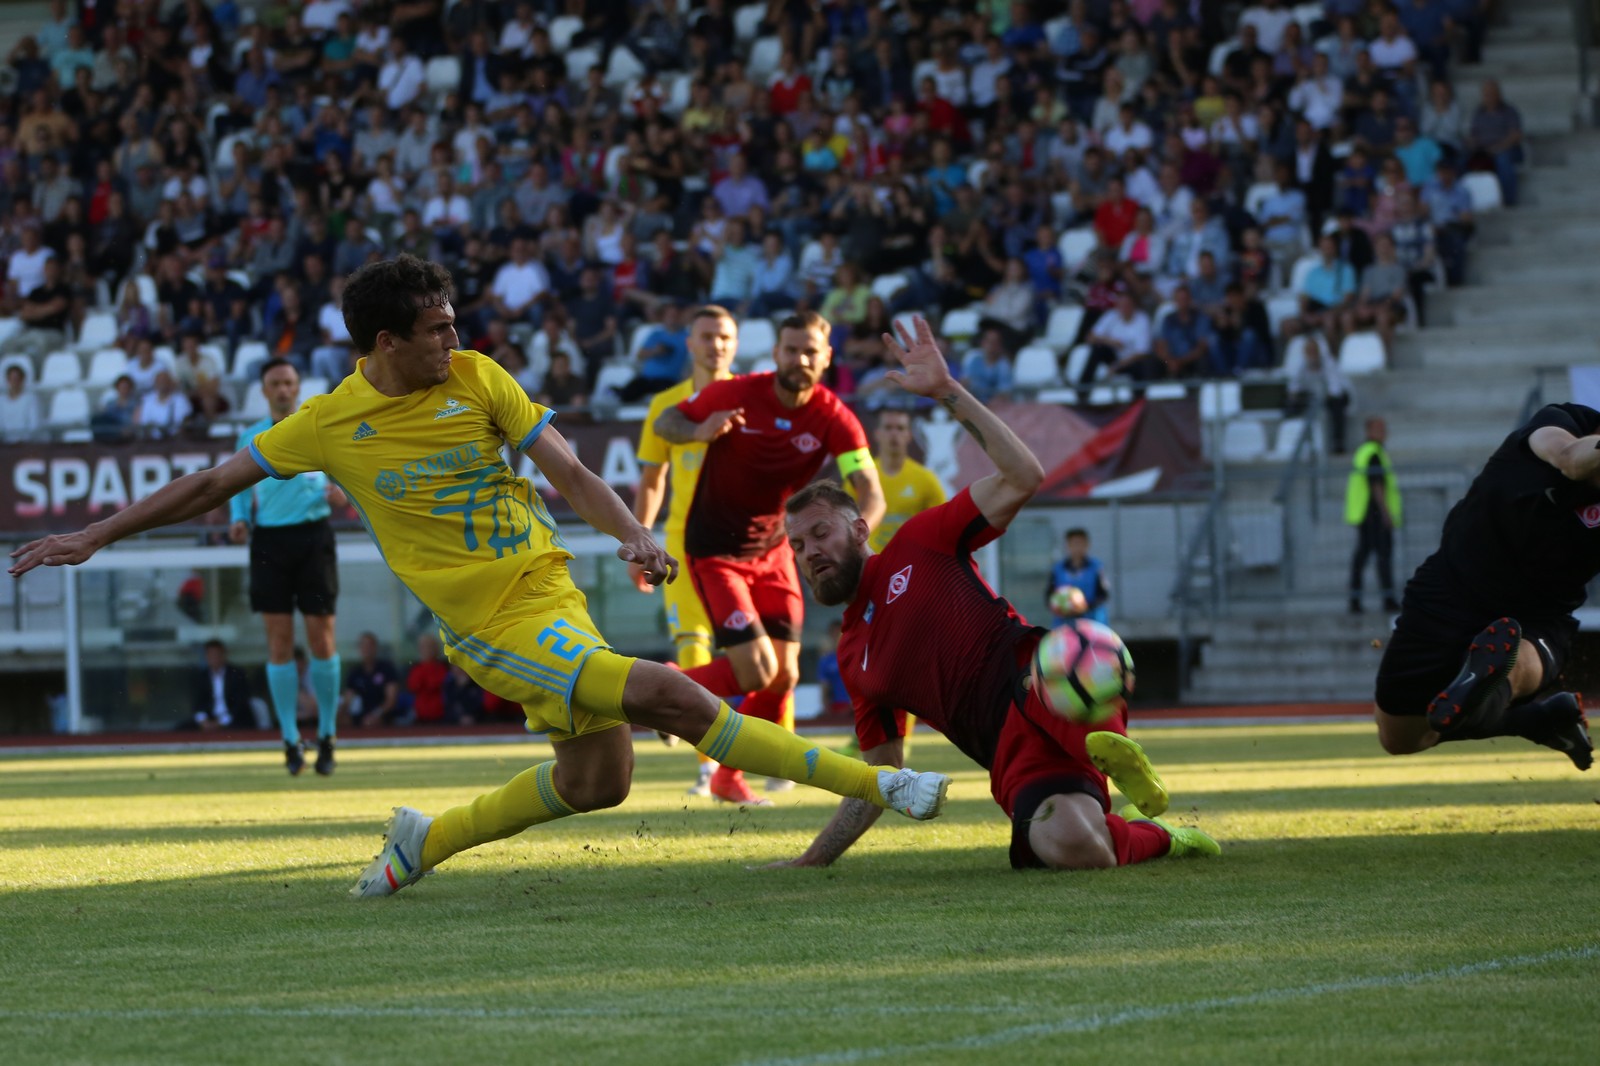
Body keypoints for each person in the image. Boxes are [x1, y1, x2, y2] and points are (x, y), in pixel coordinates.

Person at [8, 255, 948, 898]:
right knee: (666, 690)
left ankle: (429, 840)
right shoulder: (330, 424)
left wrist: (630, 533)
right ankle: (872, 786)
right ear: (382, 344)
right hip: (491, 627)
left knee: (599, 783)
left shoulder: (478, 378)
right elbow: (214, 479)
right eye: (434, 330)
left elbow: (572, 470)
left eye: (455, 324)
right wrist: (96, 534)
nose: (452, 341)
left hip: (550, 597)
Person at [774, 316, 1218, 870]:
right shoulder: (853, 657)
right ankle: (1166, 837)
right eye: (796, 545)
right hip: (1006, 751)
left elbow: (1023, 477)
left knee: (1078, 649)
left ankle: (1099, 733)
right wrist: (811, 859)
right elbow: (881, 775)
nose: (809, 551)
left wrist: (947, 392)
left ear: (860, 529)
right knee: (1083, 851)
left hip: (1037, 678)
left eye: (821, 533)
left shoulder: (920, 542)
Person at [652, 309, 887, 805]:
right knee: (756, 670)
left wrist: (854, 537)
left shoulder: (834, 417)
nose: (798, 358)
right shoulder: (736, 393)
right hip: (715, 549)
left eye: (809, 351)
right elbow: (667, 420)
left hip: (775, 551)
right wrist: (700, 430)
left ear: (826, 358)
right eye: (790, 349)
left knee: (784, 675)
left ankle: (727, 775)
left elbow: (869, 488)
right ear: (776, 353)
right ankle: (662, 689)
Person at [1373, 404, 1597, 772]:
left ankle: (1493, 676)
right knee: (1399, 737)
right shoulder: (1560, 422)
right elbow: (1572, 460)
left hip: (1540, 615)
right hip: (1451, 591)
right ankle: (1536, 719)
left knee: (1511, 658)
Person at [632, 305, 738, 796]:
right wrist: (640, 540)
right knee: (695, 645)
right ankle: (709, 766)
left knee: (760, 659)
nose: (716, 344)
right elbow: (653, 482)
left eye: (724, 336)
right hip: (685, 549)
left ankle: (674, 691)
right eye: (707, 336)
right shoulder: (667, 407)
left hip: (747, 550)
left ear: (734, 344)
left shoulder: (753, 399)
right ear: (689, 344)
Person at [229, 359, 347, 775]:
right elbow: (236, 486)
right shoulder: (251, 435)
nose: (283, 389)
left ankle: (328, 734)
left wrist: (341, 495)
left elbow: (345, 479)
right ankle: (289, 738)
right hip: (269, 542)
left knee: (322, 637)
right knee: (278, 642)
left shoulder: (316, 428)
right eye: (275, 383)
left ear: (298, 387)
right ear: (264, 390)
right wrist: (238, 519)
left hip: (314, 538)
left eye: (289, 383)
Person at [1346, 417, 1402, 615]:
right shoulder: (1373, 453)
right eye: (1378, 428)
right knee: (1382, 555)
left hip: (1366, 513)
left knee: (1363, 556)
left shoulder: (1368, 452)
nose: (1383, 431)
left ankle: (1356, 600)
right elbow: (1376, 485)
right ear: (1368, 430)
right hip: (1373, 513)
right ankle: (1387, 599)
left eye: (1384, 427)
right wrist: (1386, 513)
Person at [183, 639, 254, 732]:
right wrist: (203, 721)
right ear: (206, 656)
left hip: (234, 720)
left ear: (224, 654)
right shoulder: (200, 676)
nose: (214, 658)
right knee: (182, 729)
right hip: (208, 719)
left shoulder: (237, 674)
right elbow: (197, 703)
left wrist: (222, 722)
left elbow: (241, 703)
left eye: (217, 654)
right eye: (211, 654)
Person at [1047, 528, 1110, 626]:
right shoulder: (1058, 569)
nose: (1077, 548)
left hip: (1092, 622)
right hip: (1064, 623)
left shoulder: (1096, 567)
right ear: (1067, 545)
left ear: (1087, 545)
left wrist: (1083, 606)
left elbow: (1104, 594)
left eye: (1080, 544)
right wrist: (1060, 607)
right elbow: (1049, 594)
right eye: (1073, 544)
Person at [341, 630, 405, 727]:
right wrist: (341, 712)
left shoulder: (387, 669)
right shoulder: (355, 672)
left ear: (375, 647)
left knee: (371, 722)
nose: (367, 649)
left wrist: (376, 714)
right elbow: (348, 698)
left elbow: (391, 700)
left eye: (370, 646)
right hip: (361, 714)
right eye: (363, 646)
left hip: (383, 715)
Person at [0, 365, 43, 444]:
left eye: (17, 379)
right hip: (5, 445)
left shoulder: (31, 399)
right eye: (11, 379)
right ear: (7, 380)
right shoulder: (1, 401)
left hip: (26, 445)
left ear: (22, 380)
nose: (14, 382)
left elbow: (34, 425)